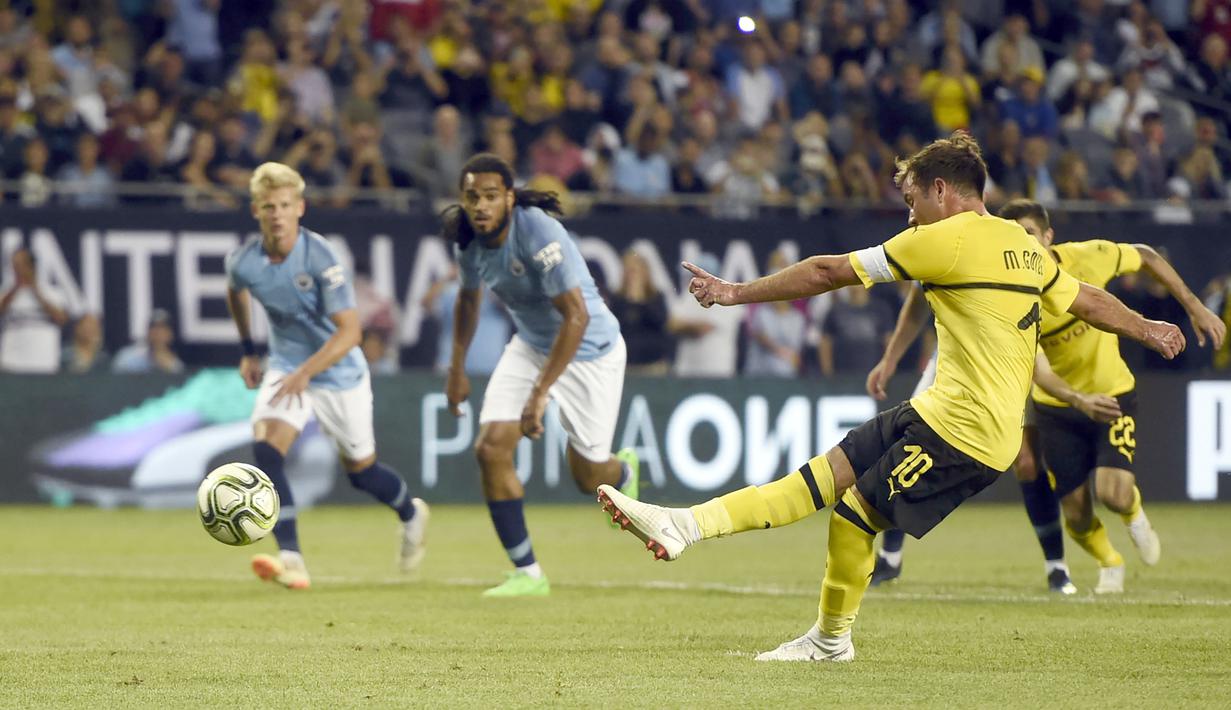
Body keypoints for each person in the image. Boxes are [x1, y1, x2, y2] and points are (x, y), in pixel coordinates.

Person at [598, 133, 1184, 662]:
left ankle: (830, 641)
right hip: (939, 413)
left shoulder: (945, 240)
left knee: (853, 516)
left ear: (940, 190)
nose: (909, 215)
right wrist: (1148, 328)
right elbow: (1085, 298)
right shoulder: (1023, 246)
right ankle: (684, 525)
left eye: (912, 200)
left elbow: (828, 272)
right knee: (820, 477)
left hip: (967, 435)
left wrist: (734, 293)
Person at [998, 199, 1224, 592]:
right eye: (1014, 237)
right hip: (1058, 406)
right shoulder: (1010, 296)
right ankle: (1110, 561)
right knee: (1076, 514)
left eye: (1029, 234)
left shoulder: (1086, 258)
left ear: (1048, 236)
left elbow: (1146, 255)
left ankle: (1133, 514)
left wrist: (1194, 306)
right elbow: (1039, 370)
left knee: (1113, 493)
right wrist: (1077, 400)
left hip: (1112, 393)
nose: (1024, 243)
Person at [441, 153, 639, 597]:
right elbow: (468, 300)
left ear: (509, 198)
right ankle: (528, 573)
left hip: (589, 350)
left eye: (490, 196)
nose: (480, 206)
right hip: (531, 345)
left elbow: (576, 316)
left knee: (588, 478)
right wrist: (456, 368)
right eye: (472, 197)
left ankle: (623, 474)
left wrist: (539, 394)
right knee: (490, 448)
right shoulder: (467, 239)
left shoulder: (537, 232)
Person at [225, 162, 429, 590]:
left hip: (338, 373)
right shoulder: (244, 262)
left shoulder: (321, 258)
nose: (277, 214)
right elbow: (235, 290)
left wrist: (307, 372)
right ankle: (291, 558)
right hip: (287, 367)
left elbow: (351, 332)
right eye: (269, 206)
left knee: (362, 473)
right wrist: (248, 350)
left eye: (285, 205)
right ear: (256, 210)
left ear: (300, 208)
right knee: (266, 449)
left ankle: (411, 513)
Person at [0, 247, 69, 374]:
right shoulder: (6, 292)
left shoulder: (52, 293)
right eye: (14, 265)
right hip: (11, 364)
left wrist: (35, 291)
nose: (17, 270)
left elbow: (61, 318)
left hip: (43, 364)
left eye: (20, 265)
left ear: (31, 266)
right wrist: (15, 288)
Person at [112, 308, 185, 374]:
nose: (157, 333)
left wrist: (166, 367)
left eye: (162, 329)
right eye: (153, 328)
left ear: (170, 334)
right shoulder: (128, 356)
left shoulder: (176, 365)